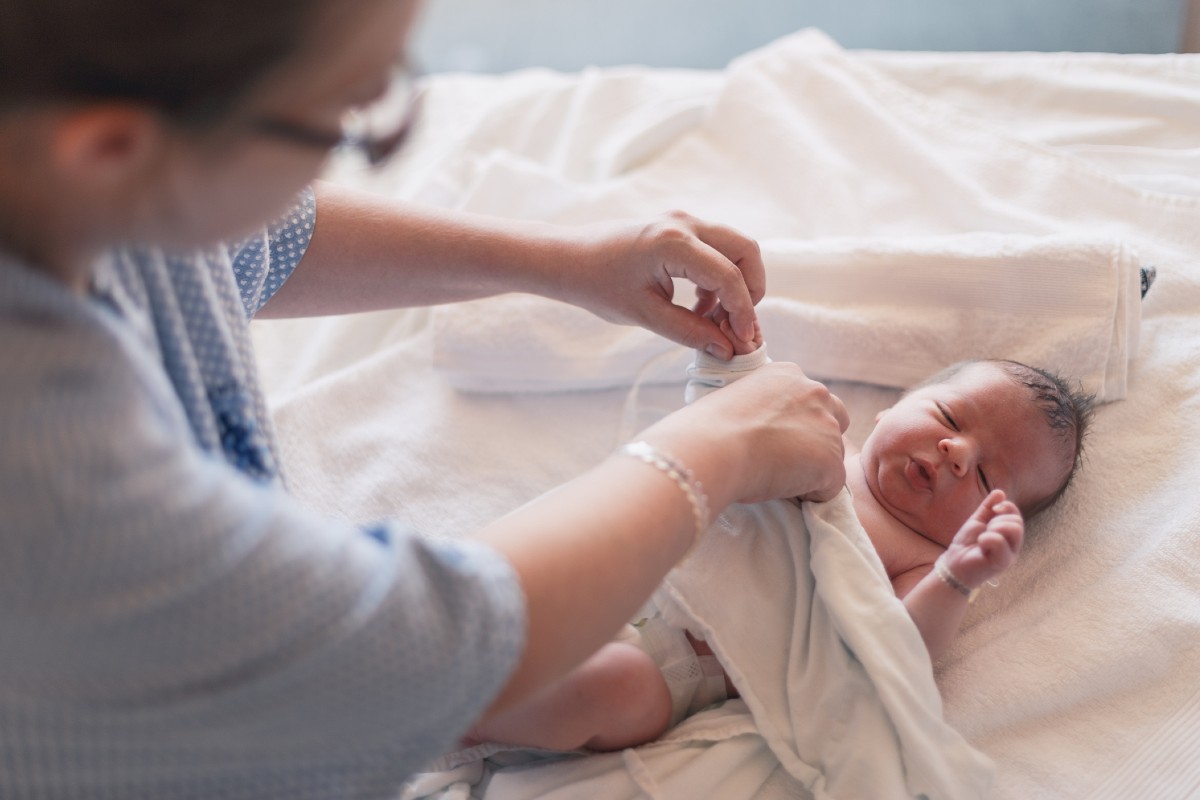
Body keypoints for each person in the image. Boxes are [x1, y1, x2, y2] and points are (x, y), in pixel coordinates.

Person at [0, 2, 852, 797]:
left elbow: (257, 242)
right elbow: (423, 646)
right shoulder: (52, 480)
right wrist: (714, 450)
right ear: (113, 150)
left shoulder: (77, 178)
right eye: (348, 111)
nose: (354, 133)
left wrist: (566, 261)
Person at [468, 343, 1093, 753]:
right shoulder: (820, 441)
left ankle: (458, 720)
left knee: (609, 689)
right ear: (893, 408)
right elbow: (727, 405)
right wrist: (728, 350)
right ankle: (450, 669)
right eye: (950, 419)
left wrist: (957, 580)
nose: (958, 453)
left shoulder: (923, 561)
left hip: (679, 662)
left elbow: (896, 652)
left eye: (986, 478)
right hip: (632, 561)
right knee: (512, 590)